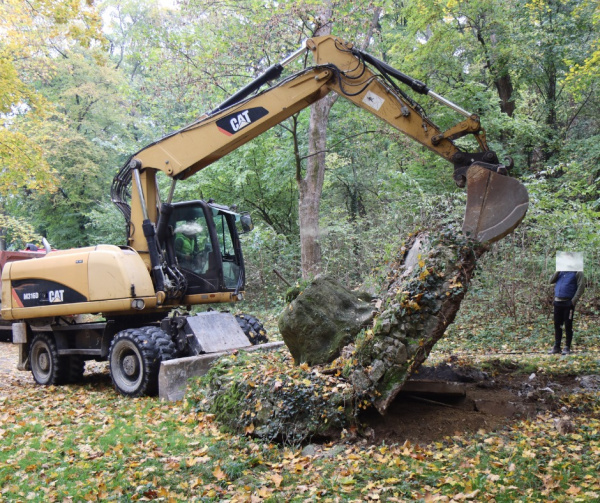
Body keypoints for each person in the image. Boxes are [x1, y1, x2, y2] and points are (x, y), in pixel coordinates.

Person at [548, 270, 585, 355]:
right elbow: (550, 281)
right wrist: (557, 271)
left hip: (568, 302)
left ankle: (567, 347)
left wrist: (573, 301)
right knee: (557, 325)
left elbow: (581, 286)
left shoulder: (577, 272)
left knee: (568, 325)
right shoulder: (560, 271)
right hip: (557, 301)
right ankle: (557, 347)